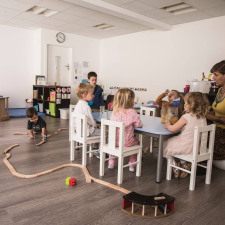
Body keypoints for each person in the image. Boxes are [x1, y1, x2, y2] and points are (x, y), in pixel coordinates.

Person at [164, 92, 209, 179]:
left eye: (186, 103)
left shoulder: (186, 117)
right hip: (199, 147)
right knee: (175, 145)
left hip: (186, 146)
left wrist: (168, 125)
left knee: (166, 144)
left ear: (192, 105)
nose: (184, 105)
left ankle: (176, 166)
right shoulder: (203, 118)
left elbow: (173, 129)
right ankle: (184, 164)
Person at [108, 88, 143, 172]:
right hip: (127, 142)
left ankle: (111, 162)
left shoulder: (115, 111)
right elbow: (139, 124)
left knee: (114, 141)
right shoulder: (132, 112)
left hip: (113, 142)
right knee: (138, 143)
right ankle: (132, 164)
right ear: (130, 100)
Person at [206, 60, 225, 169]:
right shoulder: (220, 90)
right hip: (215, 127)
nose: (213, 78)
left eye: (216, 75)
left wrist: (210, 116)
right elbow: (217, 109)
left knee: (199, 137)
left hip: (222, 132)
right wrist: (205, 112)